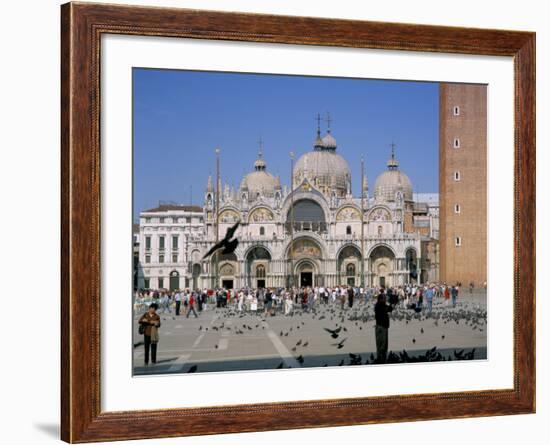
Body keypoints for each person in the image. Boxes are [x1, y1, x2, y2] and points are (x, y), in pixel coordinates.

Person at [374, 289, 394, 364]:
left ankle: (383, 358)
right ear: (380, 299)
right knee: (381, 345)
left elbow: (389, 309)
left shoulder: (381, 305)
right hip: (381, 327)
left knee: (384, 345)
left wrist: (392, 303)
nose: (385, 300)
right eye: (384, 299)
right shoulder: (379, 306)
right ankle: (381, 359)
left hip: (384, 327)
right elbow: (386, 309)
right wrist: (390, 306)